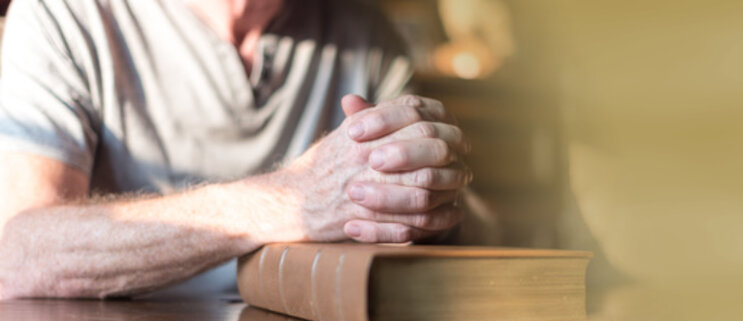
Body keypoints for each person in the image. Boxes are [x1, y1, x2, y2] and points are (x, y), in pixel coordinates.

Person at [0, 0, 492, 298]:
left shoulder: (369, 36)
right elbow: (18, 253)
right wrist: (290, 200)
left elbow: (466, 231)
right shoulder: (64, 15)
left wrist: (431, 200)